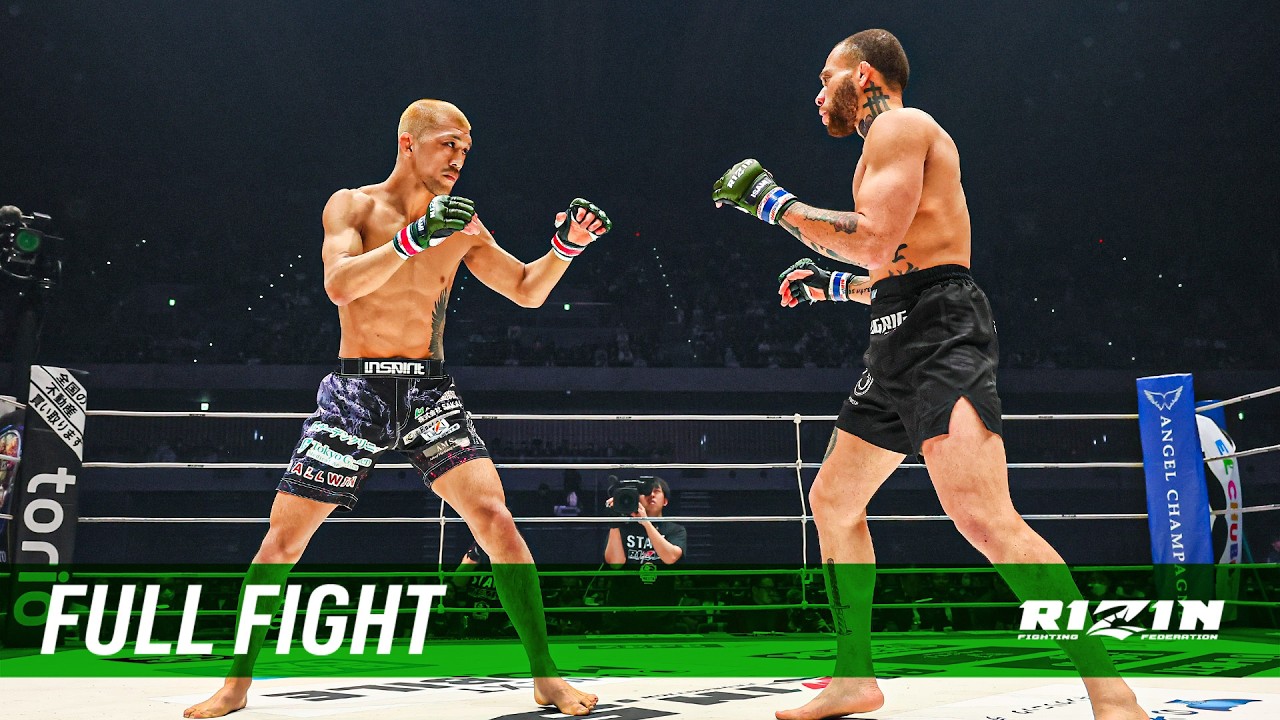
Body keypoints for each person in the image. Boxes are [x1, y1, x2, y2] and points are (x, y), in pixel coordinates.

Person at [712, 30, 1146, 720]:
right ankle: (855, 678)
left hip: (941, 331)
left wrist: (771, 202)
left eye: (826, 77)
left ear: (863, 75)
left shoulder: (903, 126)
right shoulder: (880, 149)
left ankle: (1111, 691)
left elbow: (875, 241)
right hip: (895, 331)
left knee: (984, 518)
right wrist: (830, 287)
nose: (817, 94)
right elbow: (891, 265)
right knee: (834, 501)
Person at [184, 98, 610, 718]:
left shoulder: (463, 224)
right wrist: (413, 240)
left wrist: (565, 247)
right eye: (447, 144)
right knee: (283, 541)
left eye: (465, 149)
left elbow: (525, 290)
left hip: (427, 391)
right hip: (356, 391)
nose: (459, 158)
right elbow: (339, 285)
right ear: (409, 143)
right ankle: (236, 684)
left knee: (496, 520)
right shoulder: (353, 206)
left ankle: (546, 676)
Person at [603, 476, 687, 631]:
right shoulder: (622, 528)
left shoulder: (675, 530)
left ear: (665, 501)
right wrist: (614, 523)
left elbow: (670, 557)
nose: (651, 495)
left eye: (656, 491)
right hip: (622, 614)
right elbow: (615, 564)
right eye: (646, 492)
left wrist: (645, 522)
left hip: (661, 614)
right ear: (637, 498)